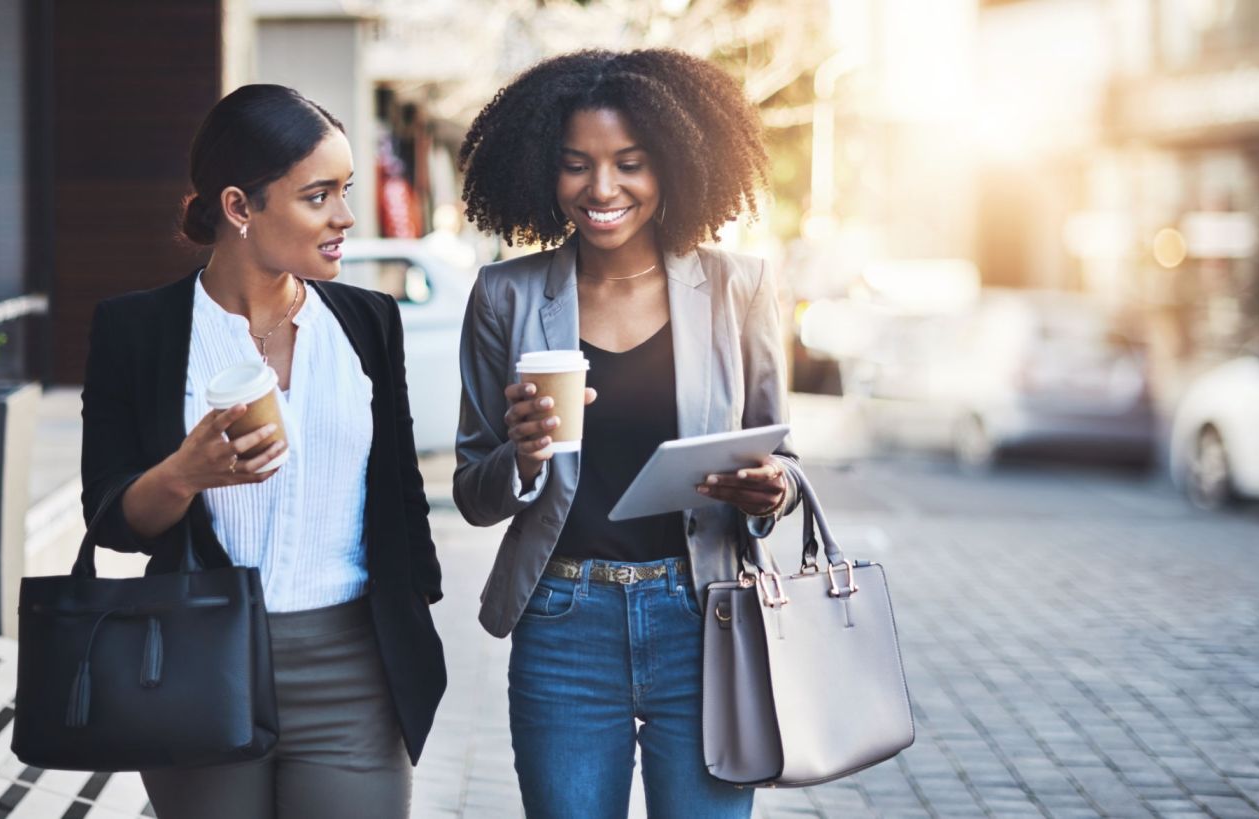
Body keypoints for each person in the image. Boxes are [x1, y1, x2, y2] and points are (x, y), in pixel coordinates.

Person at [79, 84, 445, 819]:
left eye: (345, 190)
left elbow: (401, 492)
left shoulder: (368, 322)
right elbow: (112, 517)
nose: (345, 216)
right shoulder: (136, 331)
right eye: (319, 195)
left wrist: (410, 617)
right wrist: (184, 474)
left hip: (351, 664)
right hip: (200, 657)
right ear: (240, 207)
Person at [454, 49, 801, 818]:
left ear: (674, 167)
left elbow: (778, 462)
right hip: (562, 624)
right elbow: (473, 492)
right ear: (544, 170)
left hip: (704, 620)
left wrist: (767, 490)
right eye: (575, 165)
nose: (601, 188)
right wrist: (521, 453)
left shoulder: (736, 286)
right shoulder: (503, 296)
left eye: (630, 164)